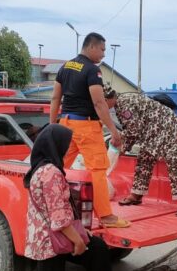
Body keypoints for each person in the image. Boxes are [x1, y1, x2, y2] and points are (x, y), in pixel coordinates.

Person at [24, 124, 117, 271]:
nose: (67, 150)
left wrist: (82, 238)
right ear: (55, 146)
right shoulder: (52, 173)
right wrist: (77, 241)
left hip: (46, 234)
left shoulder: (42, 167)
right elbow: (59, 218)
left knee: (96, 248)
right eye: (65, 146)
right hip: (51, 239)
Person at [50, 32, 129, 228]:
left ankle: (53, 206)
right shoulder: (92, 71)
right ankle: (106, 216)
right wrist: (114, 130)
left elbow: (55, 99)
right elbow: (99, 102)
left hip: (65, 125)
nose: (103, 54)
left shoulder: (65, 67)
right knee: (98, 171)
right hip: (86, 127)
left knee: (59, 167)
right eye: (102, 50)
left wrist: (52, 126)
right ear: (91, 47)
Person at [103, 87, 177, 215]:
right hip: (152, 131)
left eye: (102, 103)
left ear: (107, 99)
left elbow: (133, 131)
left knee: (173, 163)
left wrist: (122, 148)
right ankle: (137, 194)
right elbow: (133, 128)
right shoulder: (122, 100)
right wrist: (122, 144)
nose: (103, 107)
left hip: (166, 127)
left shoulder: (123, 105)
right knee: (144, 159)